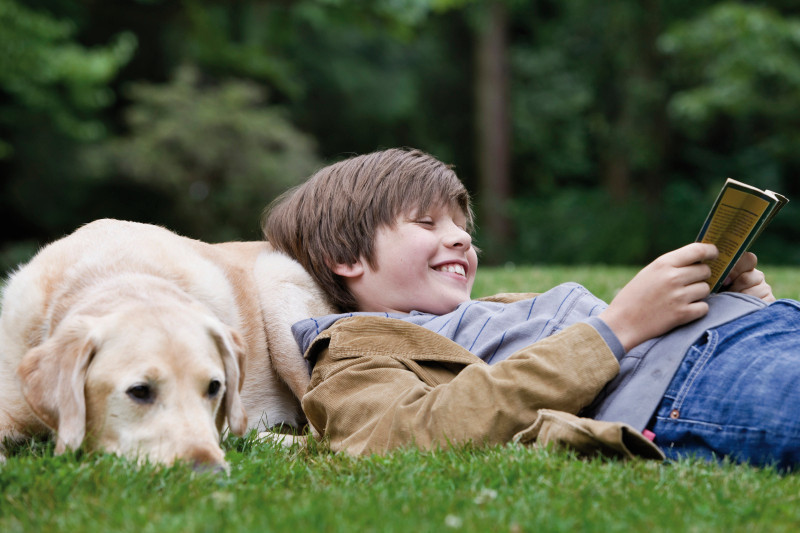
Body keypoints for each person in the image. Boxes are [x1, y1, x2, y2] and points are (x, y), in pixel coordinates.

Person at [264, 147, 800, 469]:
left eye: (462, 229)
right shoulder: (354, 354)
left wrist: (736, 302)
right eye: (426, 224)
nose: (459, 242)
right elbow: (403, 437)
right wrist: (618, 327)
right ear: (343, 257)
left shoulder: (499, 310)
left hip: (758, 333)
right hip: (687, 384)